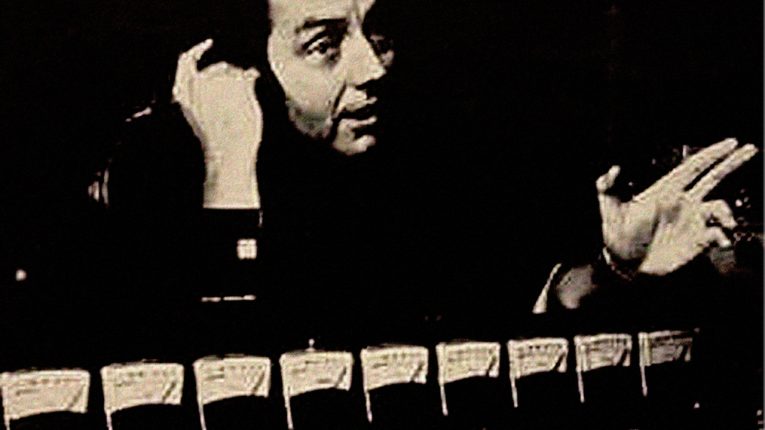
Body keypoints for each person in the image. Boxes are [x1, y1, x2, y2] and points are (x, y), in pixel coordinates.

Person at [92, 0, 759, 346]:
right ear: (240, 70)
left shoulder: (417, 158)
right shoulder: (154, 169)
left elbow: (492, 317)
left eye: (376, 33)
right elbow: (221, 380)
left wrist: (614, 269)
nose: (372, 68)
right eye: (325, 44)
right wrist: (230, 176)